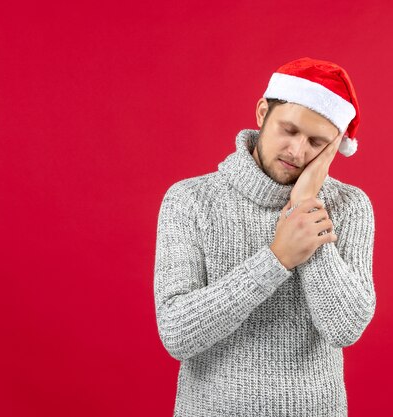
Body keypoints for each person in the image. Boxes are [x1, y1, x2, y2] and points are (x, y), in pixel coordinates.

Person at [153, 57, 376, 416]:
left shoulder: (349, 206)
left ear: (333, 149)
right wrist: (277, 259)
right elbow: (178, 334)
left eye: (316, 142)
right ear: (262, 113)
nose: (297, 151)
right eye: (289, 130)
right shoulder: (190, 200)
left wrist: (304, 205)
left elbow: (344, 328)